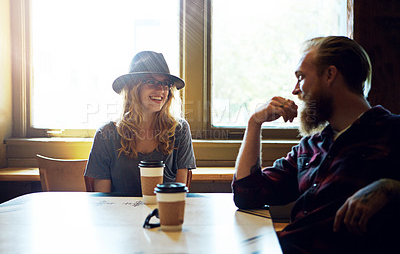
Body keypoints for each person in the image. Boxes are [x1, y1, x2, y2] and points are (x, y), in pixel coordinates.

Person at [232, 36, 400, 253]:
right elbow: (247, 194)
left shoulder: (393, 131)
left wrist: (391, 188)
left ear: (330, 75)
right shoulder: (310, 146)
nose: (295, 90)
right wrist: (254, 123)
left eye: (301, 77)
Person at [84, 51, 196, 194]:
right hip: (119, 215)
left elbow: (179, 198)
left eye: (165, 83)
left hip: (163, 214)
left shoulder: (180, 130)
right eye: (151, 81)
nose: (161, 89)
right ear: (132, 87)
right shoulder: (105, 134)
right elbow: (103, 201)